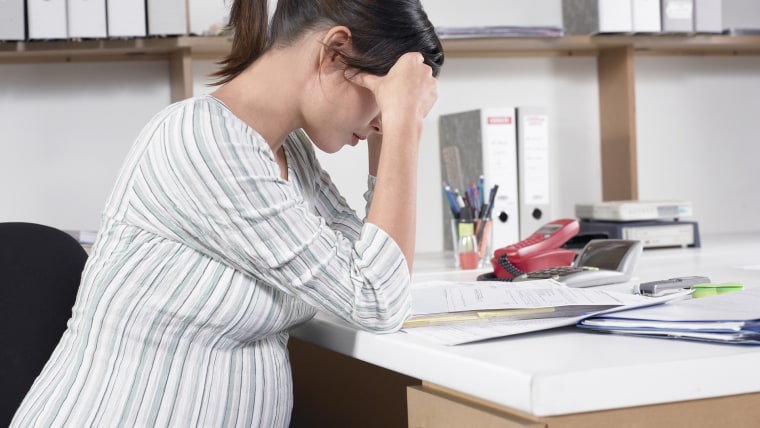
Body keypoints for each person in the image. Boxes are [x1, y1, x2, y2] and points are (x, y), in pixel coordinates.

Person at [12, 0, 443, 426]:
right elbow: (376, 299)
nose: (382, 121)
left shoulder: (287, 153)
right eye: (385, 98)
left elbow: (373, 270)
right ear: (334, 52)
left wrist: (388, 133)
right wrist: (404, 125)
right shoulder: (203, 140)